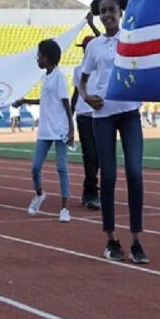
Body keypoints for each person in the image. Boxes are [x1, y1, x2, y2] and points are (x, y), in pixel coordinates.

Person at [77, 0, 148, 264]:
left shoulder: (131, 38)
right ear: (99, 15)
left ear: (121, 12)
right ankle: (111, 239)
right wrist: (86, 97)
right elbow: (83, 83)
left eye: (112, 11)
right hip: (103, 116)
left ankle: (137, 241)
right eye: (103, 11)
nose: (107, 15)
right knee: (107, 177)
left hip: (130, 113)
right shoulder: (94, 46)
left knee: (134, 173)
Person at [13, 39, 74, 222]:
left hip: (60, 129)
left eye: (39, 55)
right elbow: (46, 101)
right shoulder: (46, 77)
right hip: (45, 130)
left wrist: (72, 130)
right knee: (35, 166)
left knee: (62, 168)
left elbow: (66, 103)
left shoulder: (59, 78)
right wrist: (25, 101)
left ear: (47, 58)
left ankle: (65, 209)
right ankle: (39, 194)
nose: (37, 59)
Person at [70, 35, 101, 210]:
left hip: (100, 114)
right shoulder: (78, 69)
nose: (84, 50)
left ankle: (88, 188)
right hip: (83, 115)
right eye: (83, 48)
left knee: (98, 157)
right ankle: (92, 193)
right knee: (89, 155)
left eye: (86, 47)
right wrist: (70, 118)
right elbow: (76, 94)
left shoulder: (102, 67)